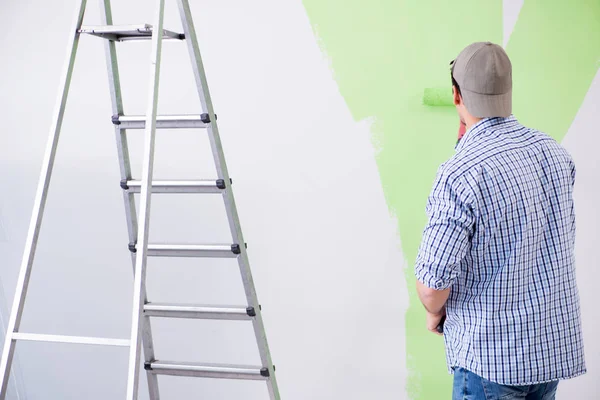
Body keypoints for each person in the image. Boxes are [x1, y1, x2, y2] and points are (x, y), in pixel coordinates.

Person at [414, 42, 586, 400]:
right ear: (508, 91)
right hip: (546, 353)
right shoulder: (553, 152)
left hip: (490, 361)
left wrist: (436, 312)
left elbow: (432, 288)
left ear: (456, 95)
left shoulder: (460, 173)